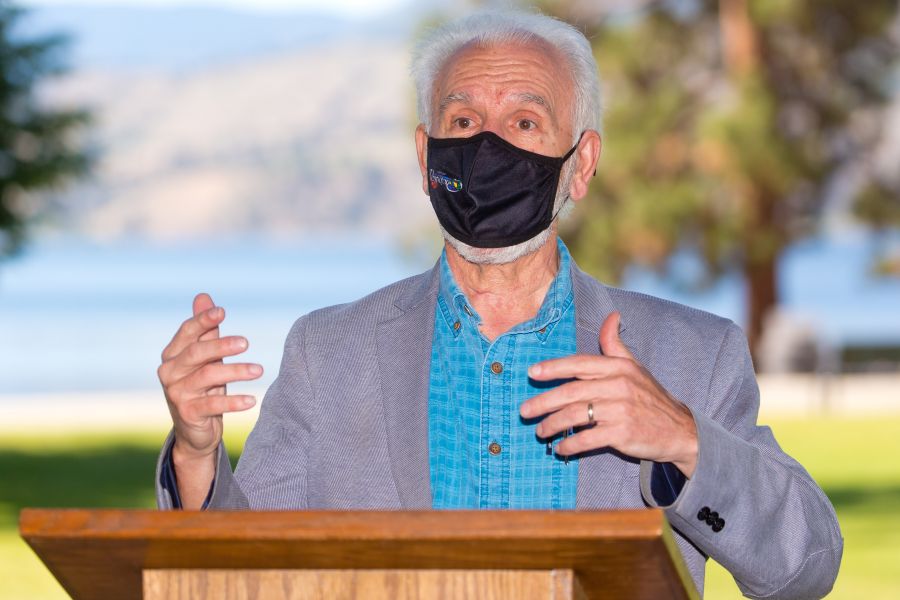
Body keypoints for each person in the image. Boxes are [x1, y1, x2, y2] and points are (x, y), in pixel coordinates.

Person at [155, 9, 842, 598]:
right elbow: (237, 567)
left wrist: (684, 440)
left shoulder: (694, 355)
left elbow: (803, 569)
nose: (488, 146)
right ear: (426, 156)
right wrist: (195, 453)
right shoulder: (329, 350)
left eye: (524, 120)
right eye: (463, 118)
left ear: (583, 164)